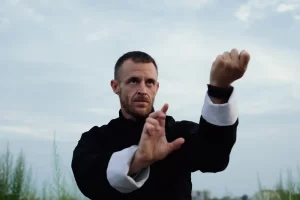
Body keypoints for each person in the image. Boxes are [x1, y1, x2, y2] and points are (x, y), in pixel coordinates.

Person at [71, 49, 250, 200]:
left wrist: (219, 89)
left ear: (157, 87)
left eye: (149, 82)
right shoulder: (95, 140)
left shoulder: (176, 133)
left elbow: (214, 157)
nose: (142, 90)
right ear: (115, 86)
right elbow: (88, 181)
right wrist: (137, 160)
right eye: (133, 81)